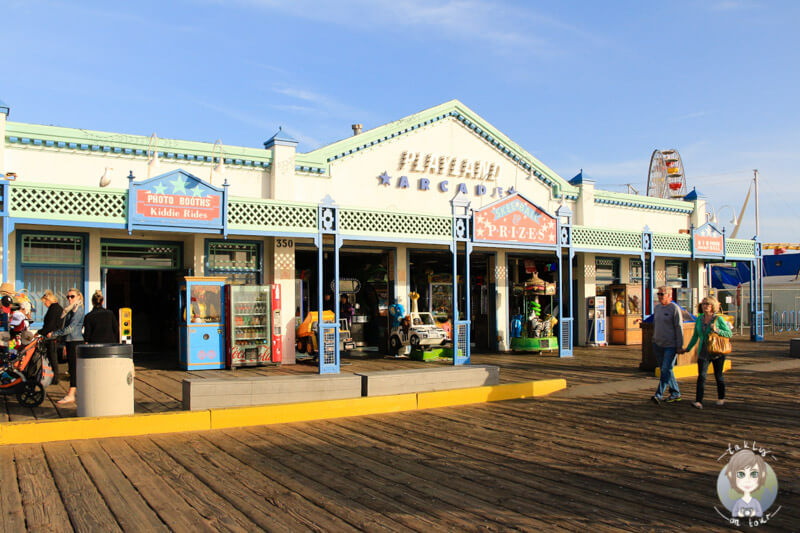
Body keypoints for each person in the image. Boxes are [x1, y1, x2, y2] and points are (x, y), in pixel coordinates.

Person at [683, 296, 732, 409]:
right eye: (704, 304)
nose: (705, 306)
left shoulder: (718, 319)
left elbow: (729, 334)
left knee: (718, 375)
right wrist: (688, 348)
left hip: (717, 351)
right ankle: (698, 401)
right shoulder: (699, 319)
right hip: (703, 351)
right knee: (702, 376)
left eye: (708, 304)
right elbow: (695, 336)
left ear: (713, 306)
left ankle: (721, 397)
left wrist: (717, 330)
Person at [47, 288, 85, 405]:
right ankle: (74, 392)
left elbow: (70, 328)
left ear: (79, 297)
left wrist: (54, 334)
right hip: (70, 341)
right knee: (72, 368)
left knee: (73, 368)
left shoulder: (78, 310)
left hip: (75, 341)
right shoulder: (71, 309)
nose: (69, 299)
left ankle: (71, 394)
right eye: (68, 297)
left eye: (72, 296)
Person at [651, 286, 684, 404]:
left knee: (666, 369)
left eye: (662, 294)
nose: (659, 297)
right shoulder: (657, 308)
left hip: (671, 344)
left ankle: (658, 394)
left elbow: (679, 327)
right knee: (666, 370)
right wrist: (654, 339)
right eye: (658, 294)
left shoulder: (674, 308)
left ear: (669, 295)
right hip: (658, 343)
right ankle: (675, 392)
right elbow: (656, 324)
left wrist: (680, 345)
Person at [725, 449, 767, 518]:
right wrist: (739, 513)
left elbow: (760, 513)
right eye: (741, 474)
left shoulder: (755, 502)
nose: (747, 480)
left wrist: (754, 513)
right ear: (731, 475)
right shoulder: (738, 503)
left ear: (762, 475)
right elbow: (734, 514)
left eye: (754, 474)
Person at [38, 290, 64, 385]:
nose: (44, 304)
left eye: (44, 302)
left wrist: (40, 332)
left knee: (52, 357)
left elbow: (50, 325)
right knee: (52, 357)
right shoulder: (57, 308)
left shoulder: (54, 309)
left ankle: (55, 377)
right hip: (54, 336)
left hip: (52, 337)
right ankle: (53, 376)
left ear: (48, 300)